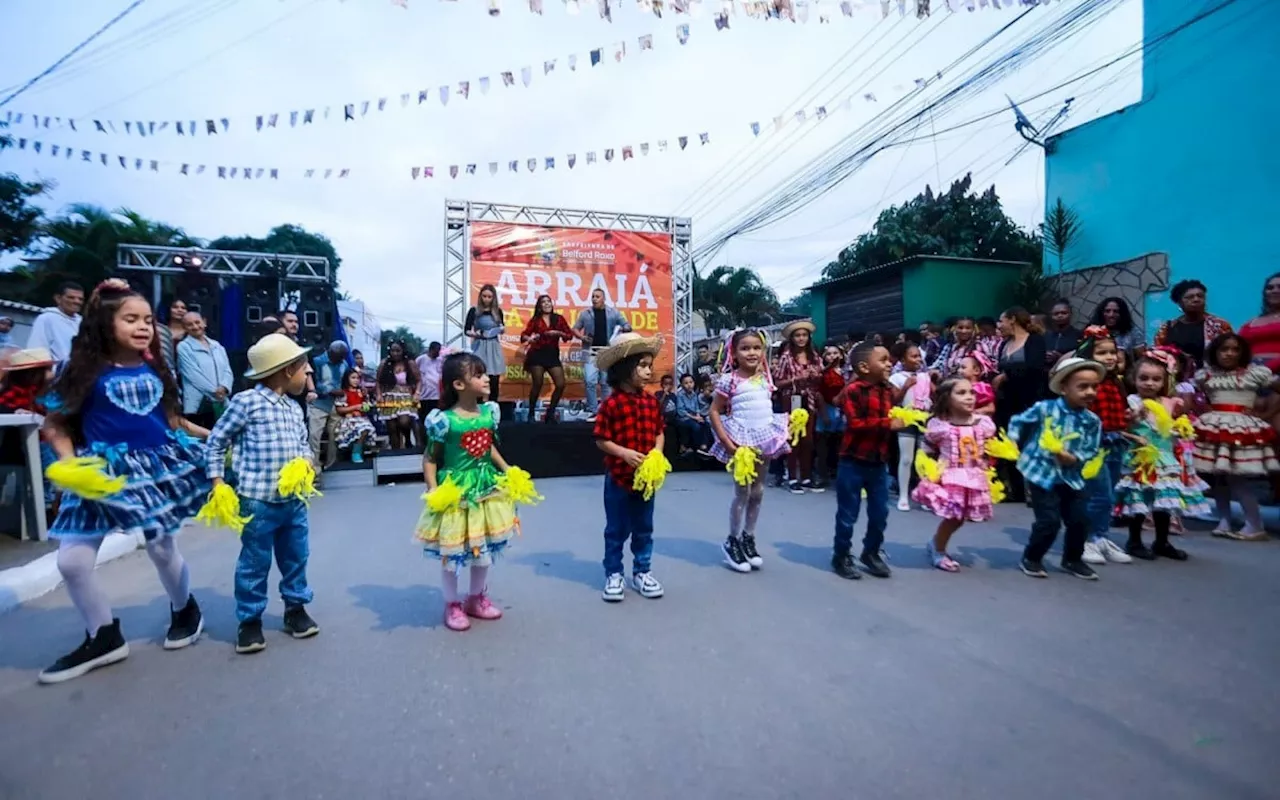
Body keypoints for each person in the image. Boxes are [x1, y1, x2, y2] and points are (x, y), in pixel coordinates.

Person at [36, 279, 210, 684]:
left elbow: (170, 422)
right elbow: (55, 424)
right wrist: (70, 466)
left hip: (156, 469)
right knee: (72, 561)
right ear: (103, 323)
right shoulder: (78, 370)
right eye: (130, 318)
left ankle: (185, 609)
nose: (143, 326)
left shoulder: (155, 368)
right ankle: (104, 636)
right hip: (100, 474)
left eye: (148, 319)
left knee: (163, 548)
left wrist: (214, 437)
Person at [206, 334, 319, 654]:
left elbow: (301, 444)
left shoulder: (293, 408)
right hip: (257, 500)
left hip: (293, 501)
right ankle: (250, 619)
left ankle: (295, 608)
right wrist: (217, 481)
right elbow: (217, 441)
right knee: (255, 562)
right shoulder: (246, 403)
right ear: (286, 371)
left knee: (296, 556)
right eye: (304, 368)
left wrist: (307, 463)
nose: (308, 372)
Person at [418, 353, 518, 629]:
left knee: (483, 548)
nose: (486, 378)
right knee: (453, 552)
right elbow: (430, 458)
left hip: (486, 488)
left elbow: (488, 448)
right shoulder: (444, 420)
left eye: (485, 373)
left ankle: (476, 598)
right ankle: (452, 603)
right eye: (478, 374)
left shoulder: (489, 413)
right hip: (456, 493)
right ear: (458, 385)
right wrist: (433, 491)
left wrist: (508, 469)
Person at [1009, 357, 1104, 581]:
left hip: (1072, 476)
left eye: (1094, 386)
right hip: (1041, 474)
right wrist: (1012, 440)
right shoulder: (1045, 409)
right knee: (1049, 521)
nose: (1089, 392)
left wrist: (1074, 457)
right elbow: (1018, 421)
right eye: (1082, 386)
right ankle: (1032, 557)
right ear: (1063, 388)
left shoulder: (1092, 420)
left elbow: (1092, 449)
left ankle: (1073, 559)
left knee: (1080, 519)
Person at [709, 329, 791, 574]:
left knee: (758, 491)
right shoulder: (729, 380)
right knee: (742, 492)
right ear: (734, 352)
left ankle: (749, 537)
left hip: (763, 438)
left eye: (756, 347)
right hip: (741, 440)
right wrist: (725, 440)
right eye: (745, 348)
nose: (752, 352)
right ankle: (732, 540)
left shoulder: (765, 378)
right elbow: (714, 411)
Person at [1114, 350, 1210, 560]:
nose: (1149, 383)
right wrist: (1132, 420)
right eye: (1144, 378)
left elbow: (1176, 423)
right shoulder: (1132, 401)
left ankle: (1162, 541)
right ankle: (1135, 541)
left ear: (1165, 380)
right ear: (1134, 379)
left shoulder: (1169, 402)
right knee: (1138, 500)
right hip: (1140, 459)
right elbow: (1123, 427)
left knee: (1163, 503)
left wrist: (1182, 428)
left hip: (1166, 457)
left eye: (1156, 379)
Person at [593, 332, 667, 601]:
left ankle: (642, 571)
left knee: (644, 526)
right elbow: (601, 439)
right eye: (643, 365)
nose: (649, 371)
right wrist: (623, 453)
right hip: (619, 477)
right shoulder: (610, 404)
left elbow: (660, 431)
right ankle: (614, 573)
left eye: (650, 365)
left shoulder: (651, 401)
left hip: (646, 480)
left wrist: (657, 453)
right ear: (625, 368)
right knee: (616, 528)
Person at [1193, 334, 1279, 540]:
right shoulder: (1206, 376)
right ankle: (1225, 520)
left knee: (1238, 478)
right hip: (1215, 426)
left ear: (1242, 353)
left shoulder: (1255, 374)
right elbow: (1197, 397)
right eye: (1224, 349)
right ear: (1215, 352)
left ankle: (1254, 524)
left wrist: (1265, 415)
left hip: (1240, 427)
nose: (1229, 353)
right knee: (1218, 478)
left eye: (1235, 349)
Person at [830, 342, 902, 581]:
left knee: (880, 512)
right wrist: (887, 424)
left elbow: (895, 412)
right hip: (852, 461)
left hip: (879, 462)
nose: (889, 363)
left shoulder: (888, 389)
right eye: (883, 360)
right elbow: (855, 424)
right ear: (863, 366)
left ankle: (871, 552)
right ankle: (841, 555)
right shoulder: (854, 390)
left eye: (889, 359)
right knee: (848, 514)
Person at [911, 378, 997, 572]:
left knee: (962, 517)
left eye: (971, 393)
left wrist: (991, 460)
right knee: (953, 516)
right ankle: (938, 549)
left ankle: (936, 544)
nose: (969, 397)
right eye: (962, 393)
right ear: (947, 398)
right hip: (951, 477)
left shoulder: (983, 423)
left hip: (974, 477)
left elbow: (990, 448)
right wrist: (928, 471)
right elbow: (926, 449)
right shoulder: (939, 426)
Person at [1075, 327, 1134, 566]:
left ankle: (1101, 537)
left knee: (1110, 496)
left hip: (1115, 442)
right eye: (1102, 353)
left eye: (1112, 352)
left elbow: (1117, 416)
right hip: (1092, 446)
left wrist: (1131, 420)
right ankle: (1086, 539)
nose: (1110, 357)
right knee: (1099, 494)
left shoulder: (1115, 383)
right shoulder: (1087, 384)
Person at [993, 307, 1048, 504]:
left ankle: (1035, 491)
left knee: (1031, 445)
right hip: (1007, 401)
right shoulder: (1004, 344)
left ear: (1012, 320)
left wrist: (1007, 375)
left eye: (1001, 321)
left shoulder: (1035, 341)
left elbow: (1035, 367)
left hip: (1029, 400)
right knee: (1010, 444)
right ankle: (1016, 490)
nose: (999, 325)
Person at [772, 321, 822, 494]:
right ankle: (793, 477)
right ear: (792, 338)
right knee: (794, 439)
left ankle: (806, 477)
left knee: (808, 439)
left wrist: (815, 376)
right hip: (792, 399)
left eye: (804, 335)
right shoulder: (786, 357)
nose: (801, 339)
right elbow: (777, 382)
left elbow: (821, 377)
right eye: (797, 335)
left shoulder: (814, 356)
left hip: (810, 399)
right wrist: (796, 379)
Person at [519, 295, 581, 423]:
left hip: (552, 354)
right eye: (544, 302)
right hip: (537, 353)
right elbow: (524, 335)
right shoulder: (535, 320)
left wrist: (559, 334)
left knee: (560, 384)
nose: (547, 304)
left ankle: (550, 413)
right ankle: (531, 413)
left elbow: (569, 335)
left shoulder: (558, 319)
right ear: (540, 306)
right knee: (538, 383)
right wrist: (529, 338)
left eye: (549, 301)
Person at [573, 288, 632, 418]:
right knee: (589, 381)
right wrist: (582, 338)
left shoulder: (613, 313)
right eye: (593, 296)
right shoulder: (585, 314)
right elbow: (575, 329)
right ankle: (593, 410)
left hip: (607, 352)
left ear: (604, 299)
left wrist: (625, 328)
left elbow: (627, 325)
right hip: (590, 352)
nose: (594, 299)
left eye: (597, 296)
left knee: (605, 382)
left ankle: (606, 411)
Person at [888, 341, 931, 512]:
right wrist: (906, 386)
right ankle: (904, 496)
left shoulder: (925, 376)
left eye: (919, 356)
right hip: (906, 419)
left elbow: (934, 394)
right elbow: (894, 400)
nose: (918, 359)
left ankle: (924, 495)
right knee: (906, 459)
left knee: (924, 459)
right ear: (903, 359)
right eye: (913, 356)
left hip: (924, 419)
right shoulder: (896, 378)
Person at [1154, 280, 1233, 370]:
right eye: (1189, 297)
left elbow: (1232, 352)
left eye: (1200, 296)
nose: (1196, 299)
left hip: (1212, 378)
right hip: (1176, 379)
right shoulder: (1167, 328)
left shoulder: (1219, 326)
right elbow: (1158, 356)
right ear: (1180, 302)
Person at [176, 311, 233, 431]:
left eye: (197, 322)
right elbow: (192, 374)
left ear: (204, 322)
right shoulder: (183, 347)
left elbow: (227, 370)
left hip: (221, 401)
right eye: (190, 324)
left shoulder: (217, 345)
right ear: (185, 328)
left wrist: (224, 387)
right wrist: (214, 392)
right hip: (199, 406)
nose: (195, 327)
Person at [463, 283, 506, 401]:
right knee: (478, 375)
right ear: (480, 297)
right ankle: (477, 407)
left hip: (493, 345)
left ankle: (493, 407)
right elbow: (466, 330)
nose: (486, 299)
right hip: (479, 345)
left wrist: (501, 330)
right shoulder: (474, 311)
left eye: (489, 297)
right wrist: (476, 334)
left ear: (493, 298)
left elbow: (502, 328)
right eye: (484, 296)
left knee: (494, 379)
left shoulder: (498, 312)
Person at [26, 281, 85, 365]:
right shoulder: (46, 319)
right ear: (58, 298)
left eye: (80, 299)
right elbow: (36, 350)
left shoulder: (82, 322)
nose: (77, 301)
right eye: (71, 297)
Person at [310, 341, 348, 469]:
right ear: (330, 352)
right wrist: (329, 391)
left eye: (342, 357)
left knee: (335, 435)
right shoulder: (317, 362)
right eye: (338, 357)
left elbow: (345, 383)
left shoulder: (344, 364)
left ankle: (330, 465)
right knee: (314, 436)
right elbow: (313, 382)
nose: (340, 359)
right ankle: (314, 467)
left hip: (336, 404)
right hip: (319, 403)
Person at [376, 340, 420, 449]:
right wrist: (379, 395)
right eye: (392, 351)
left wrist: (417, 393)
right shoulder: (384, 363)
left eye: (398, 351)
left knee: (404, 422)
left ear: (403, 351)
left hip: (405, 398)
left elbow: (419, 380)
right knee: (392, 427)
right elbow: (378, 381)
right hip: (389, 398)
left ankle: (407, 438)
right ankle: (396, 452)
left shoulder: (409, 363)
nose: (395, 353)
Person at [814, 343, 846, 488]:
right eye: (829, 353)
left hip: (843, 410)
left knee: (840, 444)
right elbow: (819, 393)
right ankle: (822, 475)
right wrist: (824, 413)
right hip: (827, 408)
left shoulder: (846, 372)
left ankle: (839, 474)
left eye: (835, 353)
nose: (832, 356)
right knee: (823, 445)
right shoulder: (823, 373)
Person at [1237, 272, 1280, 372]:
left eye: (1279, 287)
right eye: (1270, 288)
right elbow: (1237, 349)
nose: (1275, 290)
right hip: (1251, 375)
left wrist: (1268, 368)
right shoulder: (1250, 324)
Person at [335, 368, 377, 462]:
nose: (356, 380)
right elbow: (340, 409)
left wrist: (366, 402)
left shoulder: (361, 392)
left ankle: (357, 453)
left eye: (358, 378)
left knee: (366, 429)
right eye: (353, 378)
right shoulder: (343, 393)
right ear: (347, 379)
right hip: (349, 420)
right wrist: (355, 408)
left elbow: (367, 406)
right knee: (360, 430)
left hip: (361, 418)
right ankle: (354, 454)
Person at [674, 373, 712, 455]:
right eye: (686, 383)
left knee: (706, 424)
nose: (689, 385)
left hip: (694, 417)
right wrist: (694, 418)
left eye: (691, 382)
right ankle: (695, 446)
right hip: (683, 418)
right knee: (696, 426)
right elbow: (681, 411)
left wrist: (698, 415)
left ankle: (703, 446)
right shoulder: (680, 395)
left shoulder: (694, 394)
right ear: (682, 385)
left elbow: (697, 408)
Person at [415, 341, 452, 419]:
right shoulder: (421, 359)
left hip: (436, 395)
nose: (438, 353)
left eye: (439, 351)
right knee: (423, 417)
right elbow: (414, 372)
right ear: (431, 350)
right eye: (436, 351)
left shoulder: (440, 360)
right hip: (424, 395)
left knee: (435, 417)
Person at [154, 296, 188, 374]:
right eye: (175, 307)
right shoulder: (160, 330)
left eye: (183, 308)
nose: (180, 310)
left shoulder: (191, 333)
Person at [1044, 299, 1082, 365]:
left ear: (1070, 314)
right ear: (1051, 316)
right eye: (1056, 314)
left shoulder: (1079, 335)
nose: (1060, 316)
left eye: (1064, 313)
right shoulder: (1045, 335)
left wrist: (1061, 357)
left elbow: (1082, 358)